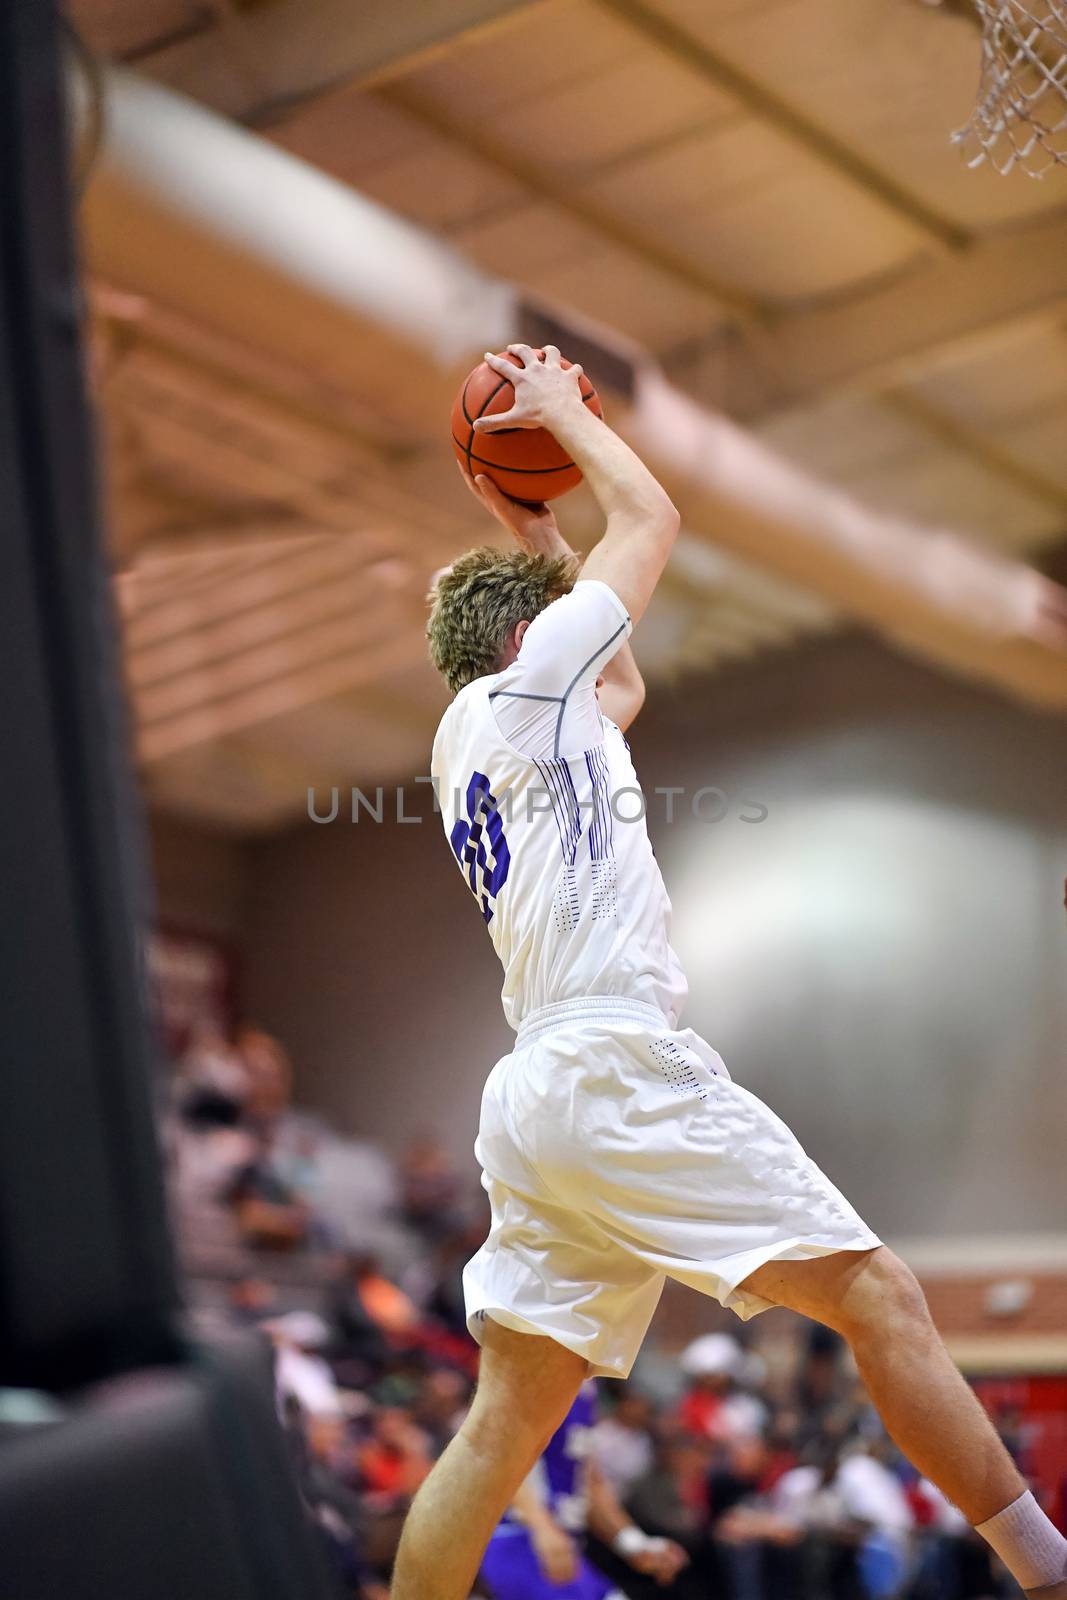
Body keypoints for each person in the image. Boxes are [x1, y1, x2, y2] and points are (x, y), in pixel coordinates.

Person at [391, 343, 1067, 1600]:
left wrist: (521, 511)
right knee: (880, 1299)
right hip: (613, 1064)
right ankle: (1045, 1570)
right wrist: (557, 425)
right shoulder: (539, 686)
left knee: (499, 1430)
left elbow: (625, 679)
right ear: (538, 635)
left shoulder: (479, 735)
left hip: (533, 1093)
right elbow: (651, 514)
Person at [479, 1380, 688, 1600]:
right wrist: (542, 1527)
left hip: (565, 1543)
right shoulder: (542, 1362)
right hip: (517, 1537)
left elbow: (588, 1480)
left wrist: (633, 1543)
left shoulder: (587, 1386)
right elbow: (499, 1455)